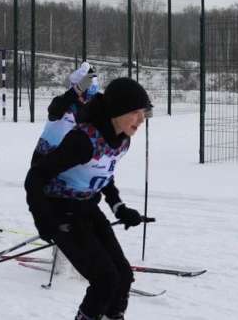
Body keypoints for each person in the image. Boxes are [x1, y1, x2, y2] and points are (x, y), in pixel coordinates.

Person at [24, 78, 152, 320]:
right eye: (135, 112)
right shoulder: (83, 141)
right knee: (105, 279)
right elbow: (36, 176)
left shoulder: (122, 139)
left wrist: (119, 207)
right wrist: (44, 221)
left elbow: (104, 174)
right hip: (60, 210)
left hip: (86, 207)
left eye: (144, 113)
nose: (141, 119)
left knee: (123, 275)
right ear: (117, 111)